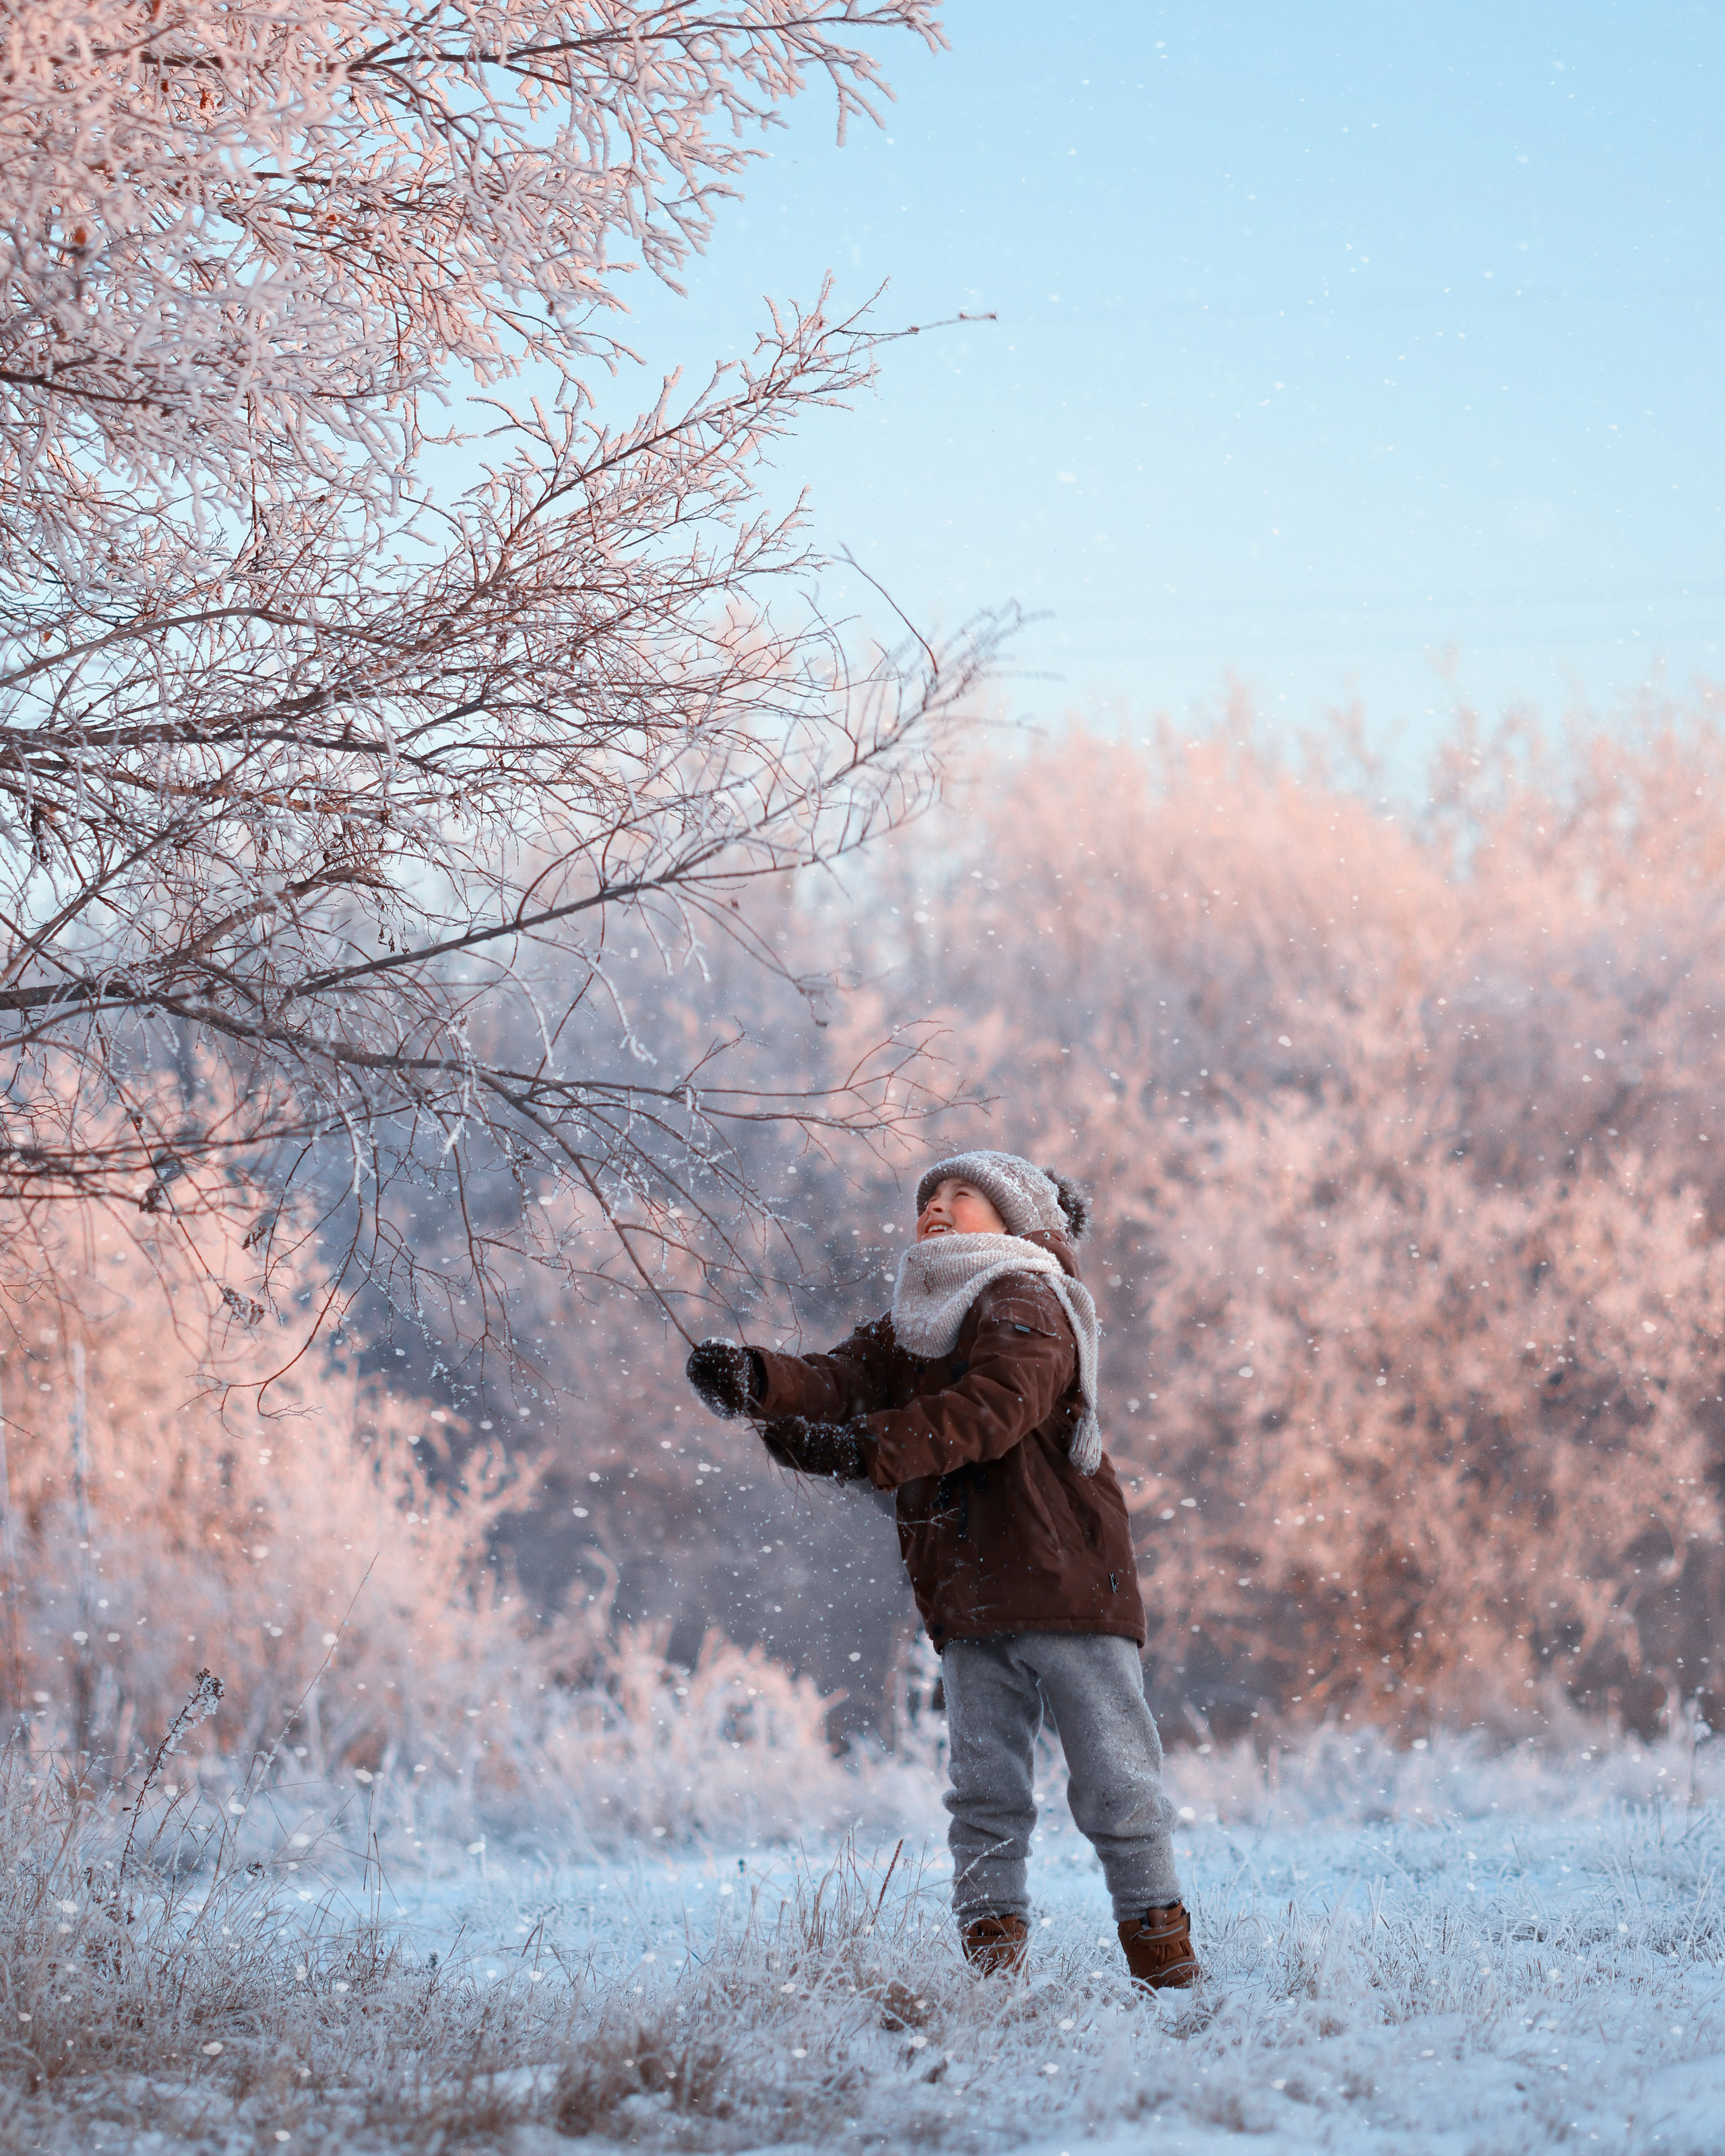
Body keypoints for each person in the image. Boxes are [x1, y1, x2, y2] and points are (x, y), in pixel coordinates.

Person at [684, 1149, 1199, 1989]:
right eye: (930, 1195)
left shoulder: (1025, 1296)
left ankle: (1166, 1967)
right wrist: (759, 1382)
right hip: (969, 1593)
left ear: (1018, 1223)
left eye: (965, 1196)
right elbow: (840, 1379)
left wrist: (863, 1448)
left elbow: (991, 1409)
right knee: (983, 1791)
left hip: (1066, 1585)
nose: (937, 1206)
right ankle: (993, 1975)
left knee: (1115, 1780)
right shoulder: (914, 1321)